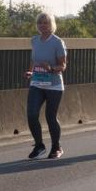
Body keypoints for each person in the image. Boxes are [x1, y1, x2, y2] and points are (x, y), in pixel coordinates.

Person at [24, 13, 67, 159]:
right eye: (40, 23)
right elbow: (34, 60)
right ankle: (39, 145)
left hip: (53, 85)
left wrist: (50, 68)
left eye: (46, 23)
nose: (43, 25)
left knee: (50, 117)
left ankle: (56, 147)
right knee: (32, 114)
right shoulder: (34, 40)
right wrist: (30, 72)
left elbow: (63, 66)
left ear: (51, 24)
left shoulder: (57, 42)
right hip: (37, 82)